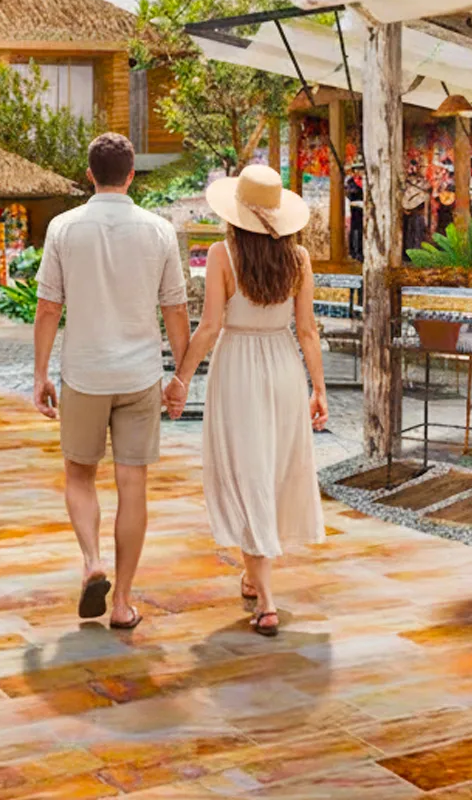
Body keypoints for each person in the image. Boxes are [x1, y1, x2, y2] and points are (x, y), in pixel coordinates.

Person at [33, 133, 189, 631]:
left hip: (84, 371)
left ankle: (91, 561)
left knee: (79, 475)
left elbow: (49, 307)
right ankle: (121, 602)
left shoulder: (63, 228)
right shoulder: (159, 231)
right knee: (133, 485)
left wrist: (39, 373)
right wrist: (180, 377)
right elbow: (176, 310)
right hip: (140, 374)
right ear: (131, 175)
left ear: (88, 174)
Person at [165, 164, 328, 637]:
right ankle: (253, 575)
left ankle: (268, 600)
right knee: (269, 473)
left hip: (236, 367)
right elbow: (307, 330)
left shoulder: (222, 254)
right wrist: (318, 389)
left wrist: (181, 379)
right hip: (282, 368)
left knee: (245, 473)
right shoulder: (298, 259)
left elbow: (211, 327)